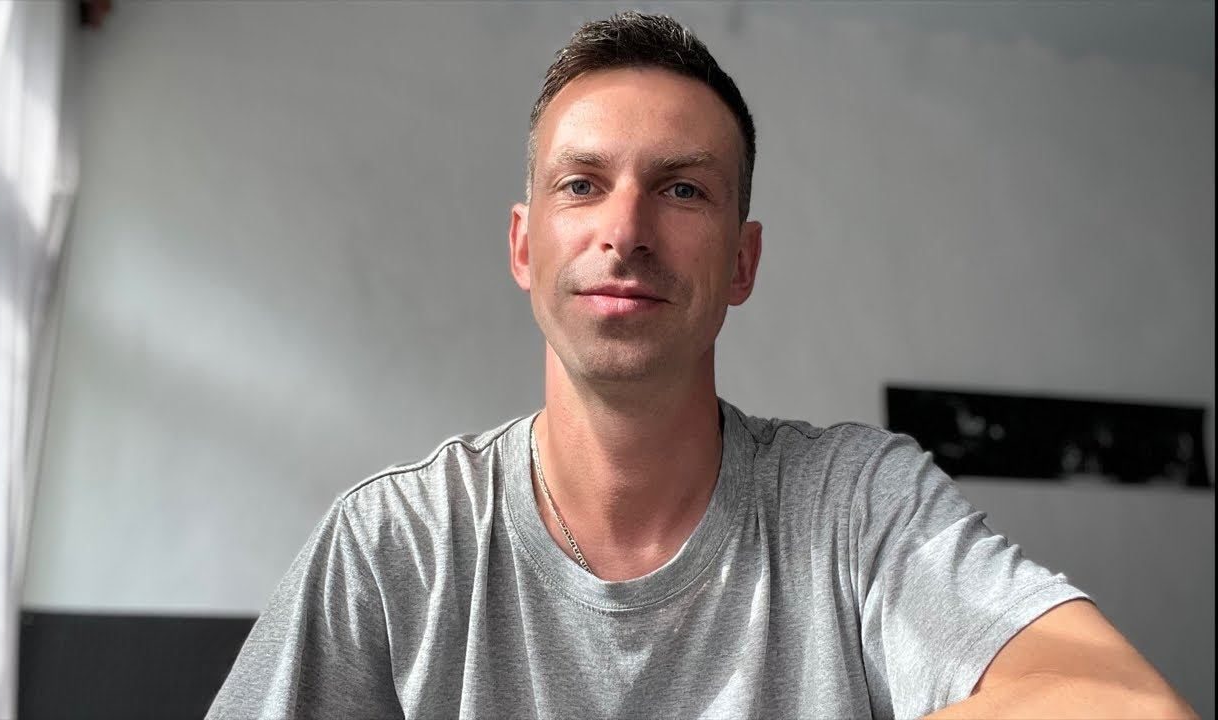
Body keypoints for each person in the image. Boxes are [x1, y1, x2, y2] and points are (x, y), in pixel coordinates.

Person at [208, 11, 1195, 719]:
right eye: (581, 184)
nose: (626, 231)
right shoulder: (396, 546)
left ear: (741, 262)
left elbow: (1128, 707)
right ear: (522, 246)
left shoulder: (857, 505)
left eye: (681, 189)